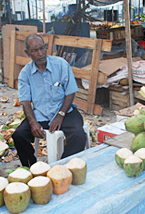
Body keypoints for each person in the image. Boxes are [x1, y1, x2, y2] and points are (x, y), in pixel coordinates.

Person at [12, 34, 86, 167]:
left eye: (42, 48)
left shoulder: (61, 65)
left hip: (64, 111)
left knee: (78, 134)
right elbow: (26, 102)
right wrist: (33, 122)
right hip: (41, 114)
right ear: (27, 53)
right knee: (19, 135)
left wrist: (60, 114)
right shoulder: (25, 73)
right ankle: (32, 168)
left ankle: (62, 167)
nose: (40, 53)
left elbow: (70, 93)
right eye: (35, 50)